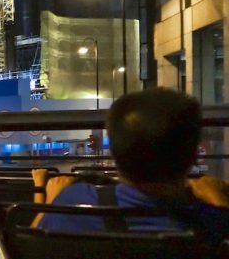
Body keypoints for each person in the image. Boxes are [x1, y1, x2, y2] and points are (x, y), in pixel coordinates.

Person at [38, 88, 229, 246]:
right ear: (195, 156)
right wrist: (219, 200)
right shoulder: (214, 224)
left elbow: (30, 250)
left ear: (114, 153)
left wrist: (49, 201)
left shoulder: (73, 204)